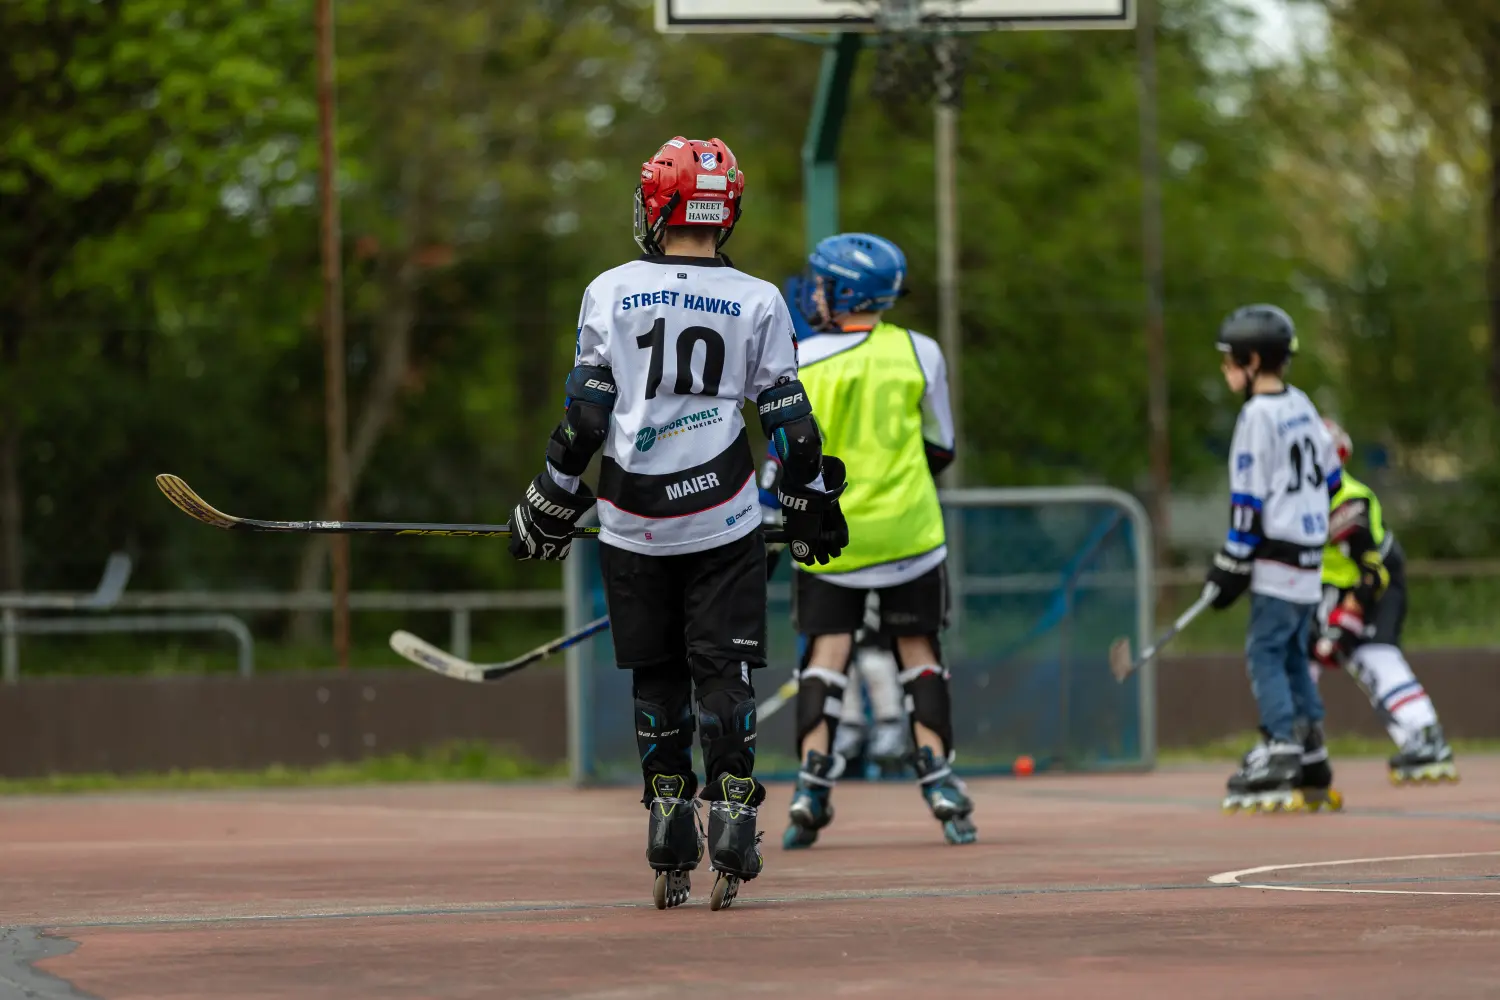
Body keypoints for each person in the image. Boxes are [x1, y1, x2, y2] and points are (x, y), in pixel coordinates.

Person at [506, 136, 849, 911]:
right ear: (725, 211)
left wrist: (552, 494)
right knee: (722, 674)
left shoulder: (610, 289)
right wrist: (810, 503)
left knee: (657, 676)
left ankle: (667, 814)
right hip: (723, 518)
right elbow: (793, 431)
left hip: (632, 521)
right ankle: (732, 812)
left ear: (657, 204)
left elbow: (586, 419)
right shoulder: (761, 298)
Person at [763, 232, 973, 847]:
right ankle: (938, 780)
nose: (813, 289)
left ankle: (810, 786)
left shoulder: (800, 359)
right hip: (911, 532)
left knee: (825, 657)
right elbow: (942, 444)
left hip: (831, 537)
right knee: (919, 651)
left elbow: (784, 460)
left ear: (843, 290)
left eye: (823, 281)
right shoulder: (920, 351)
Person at [1208, 304, 1344, 813]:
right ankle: (1313, 753)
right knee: (1293, 655)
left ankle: (1280, 745)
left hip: (1275, 561)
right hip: (1309, 562)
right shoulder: (1304, 405)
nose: (1225, 370)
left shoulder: (1255, 417)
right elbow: (1332, 478)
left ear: (1253, 359)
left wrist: (1232, 559)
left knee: (1265, 653)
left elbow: (1249, 495)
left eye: (1229, 360)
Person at [1313, 418, 1458, 784]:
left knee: (1374, 654)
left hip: (1377, 581)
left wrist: (1347, 620)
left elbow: (1371, 572)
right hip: (1333, 589)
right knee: (1305, 657)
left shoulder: (1348, 500)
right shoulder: (1296, 502)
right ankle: (1298, 743)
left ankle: (1425, 735)